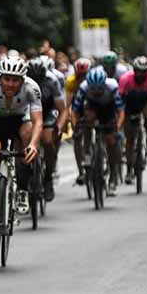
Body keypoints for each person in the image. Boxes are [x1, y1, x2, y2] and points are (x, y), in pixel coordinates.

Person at [0, 55, 42, 214]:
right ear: (0, 78)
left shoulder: (31, 87)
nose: (10, 84)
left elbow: (38, 121)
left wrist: (33, 145)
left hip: (21, 120)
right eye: (7, 79)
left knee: (27, 134)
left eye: (15, 80)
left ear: (22, 80)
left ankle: (22, 189)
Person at [64, 66, 125, 196]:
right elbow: (74, 112)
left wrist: (117, 128)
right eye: (94, 89)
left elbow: (120, 112)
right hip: (91, 108)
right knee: (86, 122)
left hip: (108, 109)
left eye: (99, 89)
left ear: (104, 84)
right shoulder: (84, 87)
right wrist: (76, 128)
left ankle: (113, 176)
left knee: (111, 141)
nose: (96, 91)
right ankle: (87, 155)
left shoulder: (112, 86)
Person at [28, 56, 65, 201]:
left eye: (39, 79)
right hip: (28, 110)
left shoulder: (51, 81)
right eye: (33, 78)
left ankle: (48, 177)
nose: (37, 82)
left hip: (48, 111)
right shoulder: (23, 82)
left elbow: (62, 108)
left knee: (48, 140)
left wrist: (60, 127)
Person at [118, 56, 147, 186]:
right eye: (138, 72)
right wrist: (122, 118)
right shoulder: (125, 79)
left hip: (144, 102)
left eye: (143, 72)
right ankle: (129, 170)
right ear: (134, 70)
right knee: (130, 140)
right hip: (129, 104)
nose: (140, 75)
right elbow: (120, 102)